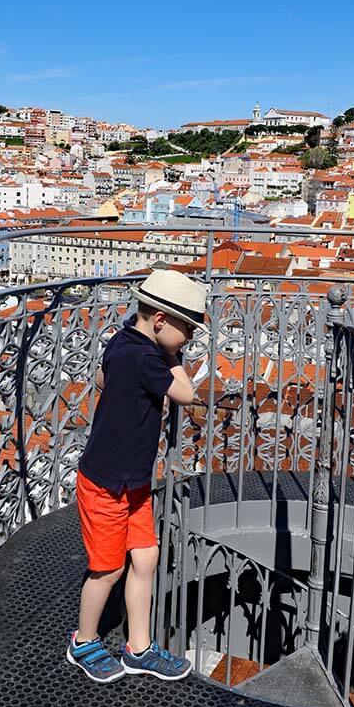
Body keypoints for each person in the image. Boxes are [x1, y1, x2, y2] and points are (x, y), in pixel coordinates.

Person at [66, 269, 207, 683]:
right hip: (107, 484)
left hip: (130, 480)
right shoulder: (146, 356)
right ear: (161, 321)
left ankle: (138, 648)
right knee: (106, 569)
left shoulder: (124, 342)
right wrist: (174, 357)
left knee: (145, 557)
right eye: (188, 330)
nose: (190, 340)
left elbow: (100, 378)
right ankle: (84, 641)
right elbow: (185, 393)